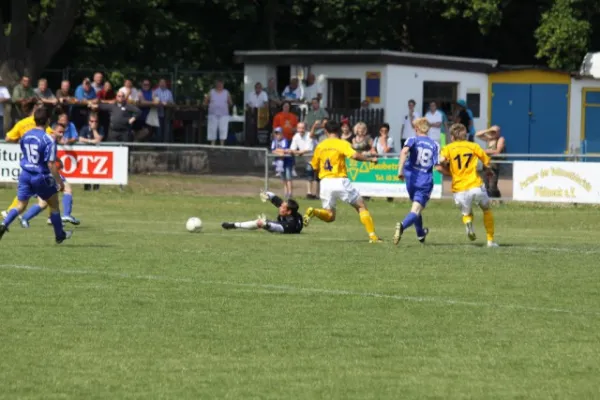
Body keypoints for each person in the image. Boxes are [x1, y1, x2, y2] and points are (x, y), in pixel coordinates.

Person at [0, 108, 73, 244]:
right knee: (54, 204)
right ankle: (59, 235)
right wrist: (59, 182)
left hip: (25, 174)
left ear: (34, 120)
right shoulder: (48, 139)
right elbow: (51, 164)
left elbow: (23, 150)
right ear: (48, 121)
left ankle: (4, 224)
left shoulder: (26, 135)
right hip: (41, 176)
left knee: (21, 205)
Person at [302, 121, 382, 243]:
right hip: (339, 180)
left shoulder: (320, 146)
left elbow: (314, 166)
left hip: (325, 182)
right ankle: (373, 237)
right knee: (361, 206)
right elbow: (354, 156)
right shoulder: (342, 143)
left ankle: (314, 211)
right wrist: (370, 159)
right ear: (339, 131)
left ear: (325, 131)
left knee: (330, 216)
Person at [437, 123, 498, 247]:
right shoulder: (473, 146)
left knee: (466, 213)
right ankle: (490, 241)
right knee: (486, 209)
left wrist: (448, 168)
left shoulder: (448, 148)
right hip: (476, 185)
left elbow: (440, 162)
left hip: (459, 189)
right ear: (465, 135)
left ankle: (469, 223)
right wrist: (489, 171)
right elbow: (487, 162)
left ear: (452, 137)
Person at [18, 123, 80, 227]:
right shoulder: (49, 139)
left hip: (41, 173)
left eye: (63, 132)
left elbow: (45, 153)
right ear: (53, 130)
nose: (61, 134)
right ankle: (65, 215)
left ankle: (25, 218)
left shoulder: (50, 139)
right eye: (60, 132)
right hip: (44, 173)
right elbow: (47, 158)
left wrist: (57, 159)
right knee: (66, 189)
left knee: (43, 203)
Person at [394, 118, 440, 245]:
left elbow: (404, 152)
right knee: (415, 210)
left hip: (411, 179)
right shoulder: (435, 144)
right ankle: (402, 226)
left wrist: (400, 170)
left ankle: (420, 234)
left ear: (416, 129)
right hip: (424, 181)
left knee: (416, 207)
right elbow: (438, 165)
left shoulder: (411, 139)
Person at [221, 191, 303, 234]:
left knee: (259, 222)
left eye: (282, 207)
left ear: (289, 212)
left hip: (284, 227)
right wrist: (266, 194)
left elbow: (277, 228)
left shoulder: (291, 224)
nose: (280, 207)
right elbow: (273, 197)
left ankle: (234, 225)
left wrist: (266, 225)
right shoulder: (288, 210)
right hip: (289, 222)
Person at [476, 125, 506, 199]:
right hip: (486, 165)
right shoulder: (489, 139)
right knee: (485, 184)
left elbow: (497, 151)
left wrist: (484, 151)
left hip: (494, 165)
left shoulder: (500, 139)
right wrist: (488, 130)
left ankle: (496, 199)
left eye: (495, 132)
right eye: (492, 132)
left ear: (498, 132)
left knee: (492, 185)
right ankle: (489, 200)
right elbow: (477, 135)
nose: (493, 133)